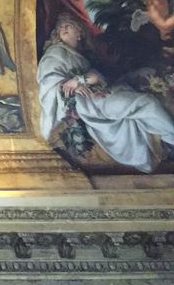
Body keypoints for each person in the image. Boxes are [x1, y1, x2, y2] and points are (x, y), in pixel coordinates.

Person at [38, 14, 174, 172]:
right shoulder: (56, 53)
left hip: (99, 95)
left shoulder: (81, 56)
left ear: (80, 33)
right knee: (146, 103)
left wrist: (79, 80)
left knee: (145, 101)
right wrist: (74, 82)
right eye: (60, 26)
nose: (63, 28)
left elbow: (97, 77)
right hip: (89, 103)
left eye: (69, 25)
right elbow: (48, 81)